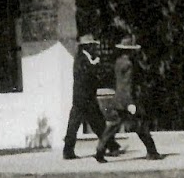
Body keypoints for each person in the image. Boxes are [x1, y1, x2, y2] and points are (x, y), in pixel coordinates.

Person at [93, 35, 162, 163]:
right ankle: (152, 152)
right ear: (130, 51)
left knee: (113, 126)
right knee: (140, 126)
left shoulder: (118, 62)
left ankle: (100, 151)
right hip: (127, 100)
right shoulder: (129, 65)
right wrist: (130, 103)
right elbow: (128, 85)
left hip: (118, 99)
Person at [62, 33, 109, 160]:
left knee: (92, 122)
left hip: (82, 96)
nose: (94, 48)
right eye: (92, 46)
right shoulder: (82, 59)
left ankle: (68, 150)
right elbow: (87, 75)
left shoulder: (85, 58)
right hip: (84, 97)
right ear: (87, 47)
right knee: (95, 122)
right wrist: (95, 66)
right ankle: (111, 145)